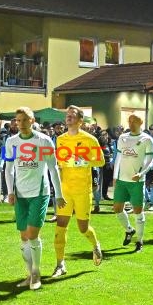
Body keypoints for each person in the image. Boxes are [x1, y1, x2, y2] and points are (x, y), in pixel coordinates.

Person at [5, 107, 65, 290]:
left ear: (32, 121)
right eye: (17, 120)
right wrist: (10, 191)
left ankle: (37, 273)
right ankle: (30, 273)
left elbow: (53, 169)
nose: (20, 124)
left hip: (40, 193)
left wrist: (59, 195)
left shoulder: (44, 141)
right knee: (23, 237)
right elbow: (8, 168)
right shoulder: (11, 141)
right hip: (20, 194)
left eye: (24, 120)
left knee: (32, 234)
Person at [52, 105, 103, 278]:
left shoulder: (90, 139)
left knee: (83, 228)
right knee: (60, 226)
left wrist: (86, 160)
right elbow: (59, 163)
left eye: (73, 115)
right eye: (67, 115)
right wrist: (57, 188)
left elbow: (101, 161)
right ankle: (60, 264)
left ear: (80, 120)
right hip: (66, 190)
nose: (69, 118)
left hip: (83, 190)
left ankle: (95, 245)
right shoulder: (60, 139)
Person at [112, 115, 153, 252]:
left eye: (134, 121)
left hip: (137, 182)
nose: (131, 123)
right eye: (129, 121)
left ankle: (139, 241)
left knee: (138, 211)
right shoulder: (123, 137)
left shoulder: (147, 139)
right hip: (122, 180)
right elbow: (118, 157)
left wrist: (141, 174)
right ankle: (129, 230)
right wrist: (115, 175)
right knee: (117, 208)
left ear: (140, 122)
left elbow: (150, 160)